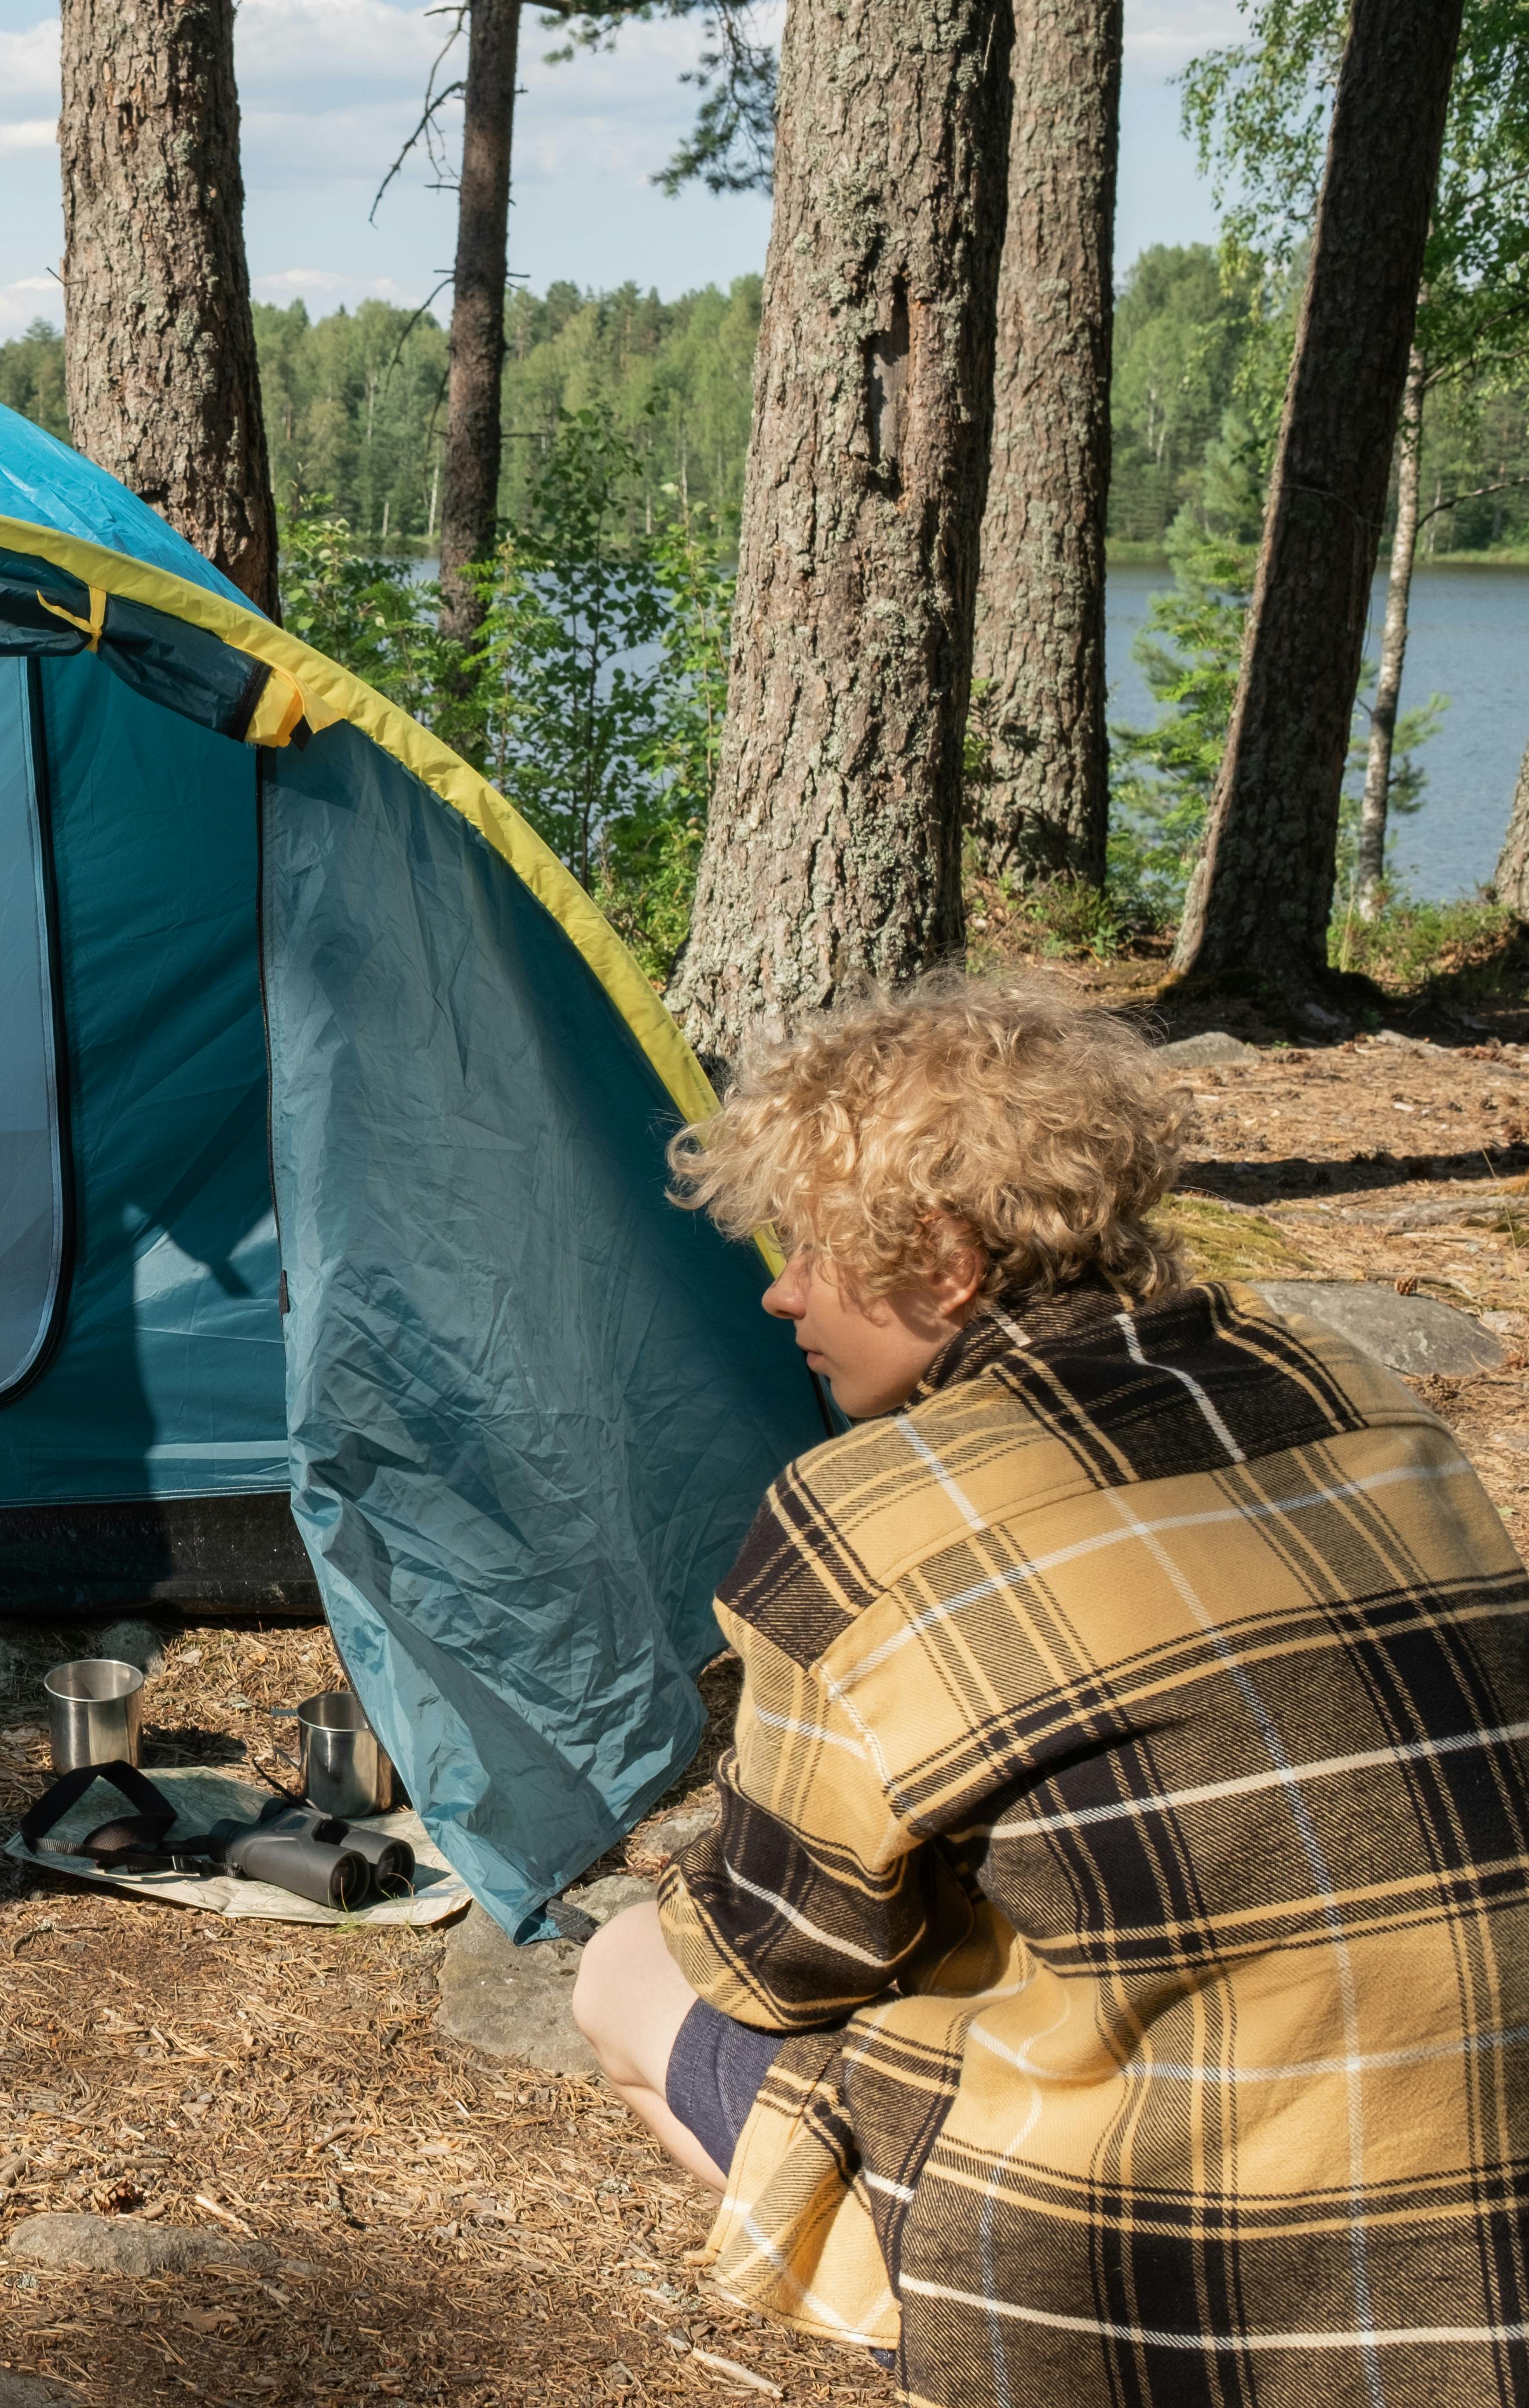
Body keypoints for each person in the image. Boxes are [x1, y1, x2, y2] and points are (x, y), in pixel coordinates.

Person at [571, 978, 1529, 2402]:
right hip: (1486, 2213)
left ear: (945, 1261)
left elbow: (779, 1957)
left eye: (816, 1248)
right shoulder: (1355, 1380)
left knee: (622, 1975)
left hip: (1173, 2263)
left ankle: (985, 2354)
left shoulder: (873, 1513)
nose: (781, 1292)